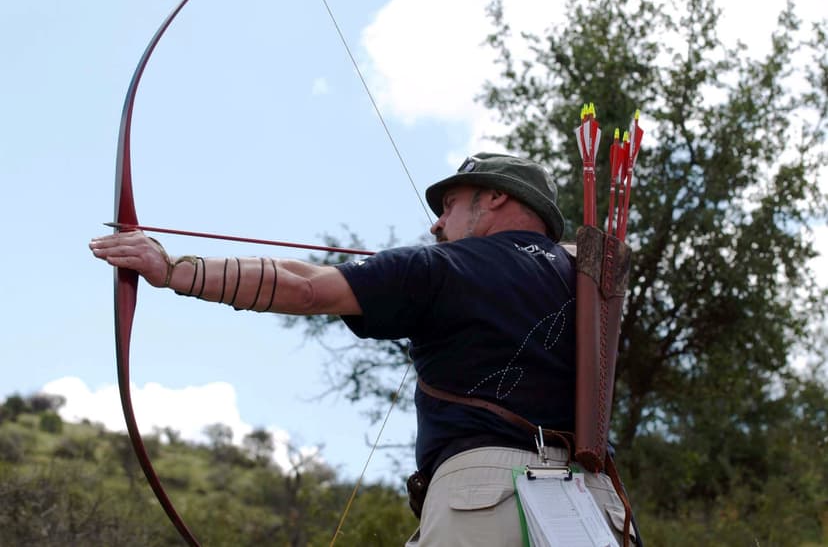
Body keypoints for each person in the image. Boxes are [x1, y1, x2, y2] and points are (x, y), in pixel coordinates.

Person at [90, 152, 634, 546]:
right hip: (595, 511)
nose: (437, 222)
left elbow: (306, 287)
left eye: (450, 204)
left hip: (483, 499)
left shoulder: (447, 265)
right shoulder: (592, 287)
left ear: (494, 197)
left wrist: (176, 271)